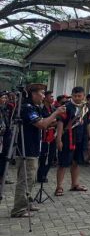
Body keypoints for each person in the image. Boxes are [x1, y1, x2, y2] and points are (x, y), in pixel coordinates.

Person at [11, 84, 65, 217]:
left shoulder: (35, 108)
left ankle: (27, 203)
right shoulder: (27, 108)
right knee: (25, 179)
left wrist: (57, 120)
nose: (43, 95)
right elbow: (41, 124)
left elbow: (45, 122)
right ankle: (18, 209)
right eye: (41, 93)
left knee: (31, 179)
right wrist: (56, 113)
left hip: (34, 148)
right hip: (26, 149)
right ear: (33, 94)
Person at [55, 86, 90, 196]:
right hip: (67, 139)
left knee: (76, 162)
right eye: (75, 96)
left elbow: (88, 123)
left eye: (79, 96)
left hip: (81, 138)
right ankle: (59, 187)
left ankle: (74, 184)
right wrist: (59, 139)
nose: (77, 98)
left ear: (83, 96)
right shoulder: (66, 107)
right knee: (63, 163)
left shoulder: (86, 108)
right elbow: (60, 123)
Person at [37, 90, 58, 183]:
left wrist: (53, 122)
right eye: (51, 96)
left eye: (53, 97)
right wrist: (52, 122)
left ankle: (44, 174)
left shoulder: (53, 108)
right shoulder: (40, 108)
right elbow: (43, 122)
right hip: (43, 136)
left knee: (51, 156)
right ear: (45, 98)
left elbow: (55, 121)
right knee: (43, 157)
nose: (52, 98)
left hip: (52, 135)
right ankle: (40, 175)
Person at [0, 92, 13, 184]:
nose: (4, 100)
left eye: (5, 98)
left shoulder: (5, 109)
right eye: (2, 98)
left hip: (5, 136)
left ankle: (2, 177)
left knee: (5, 156)